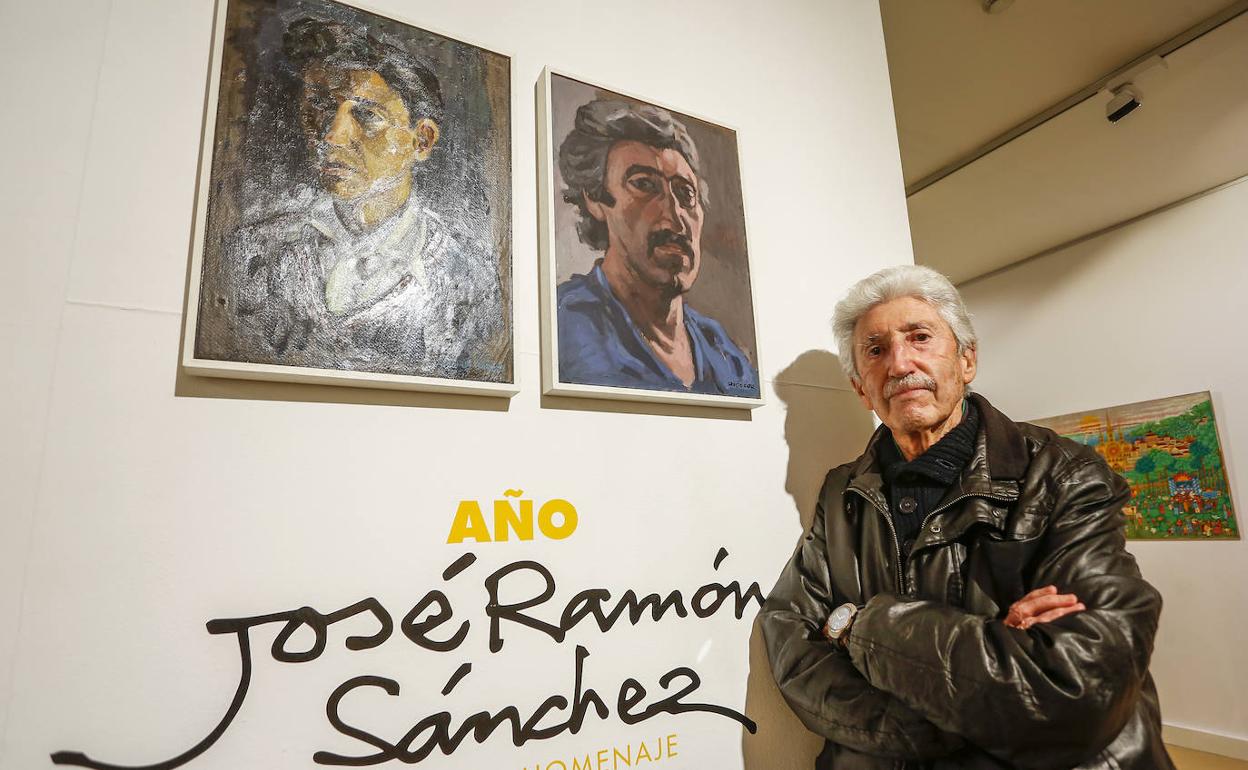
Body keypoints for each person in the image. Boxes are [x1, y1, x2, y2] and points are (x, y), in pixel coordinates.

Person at [761, 265, 1173, 769]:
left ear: (967, 359)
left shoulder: (1063, 474)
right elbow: (789, 633)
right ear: (861, 389)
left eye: (920, 337)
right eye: (876, 350)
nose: (900, 362)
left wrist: (858, 627)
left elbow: (1081, 683)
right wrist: (950, 707)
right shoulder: (841, 493)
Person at [221, 17, 506, 381]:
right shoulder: (251, 252)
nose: (332, 136)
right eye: (320, 108)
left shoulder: (469, 277)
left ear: (422, 141)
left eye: (367, 115)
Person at [555, 100, 759, 397]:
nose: (674, 216)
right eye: (644, 185)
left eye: (685, 193)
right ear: (595, 200)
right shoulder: (565, 329)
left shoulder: (725, 355)